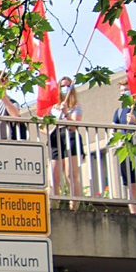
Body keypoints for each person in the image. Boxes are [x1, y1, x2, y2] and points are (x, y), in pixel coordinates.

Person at [112, 81, 136, 214]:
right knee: (130, 184)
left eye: (126, 90)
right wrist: (117, 142)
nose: (124, 93)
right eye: (122, 90)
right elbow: (113, 129)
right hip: (125, 149)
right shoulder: (119, 110)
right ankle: (134, 214)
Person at [49, 76, 83, 208]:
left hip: (71, 136)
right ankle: (54, 206)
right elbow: (51, 126)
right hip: (56, 135)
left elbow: (74, 125)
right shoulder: (53, 108)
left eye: (67, 85)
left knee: (71, 174)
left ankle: (74, 206)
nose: (65, 88)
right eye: (62, 86)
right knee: (54, 175)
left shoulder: (76, 106)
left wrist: (66, 112)